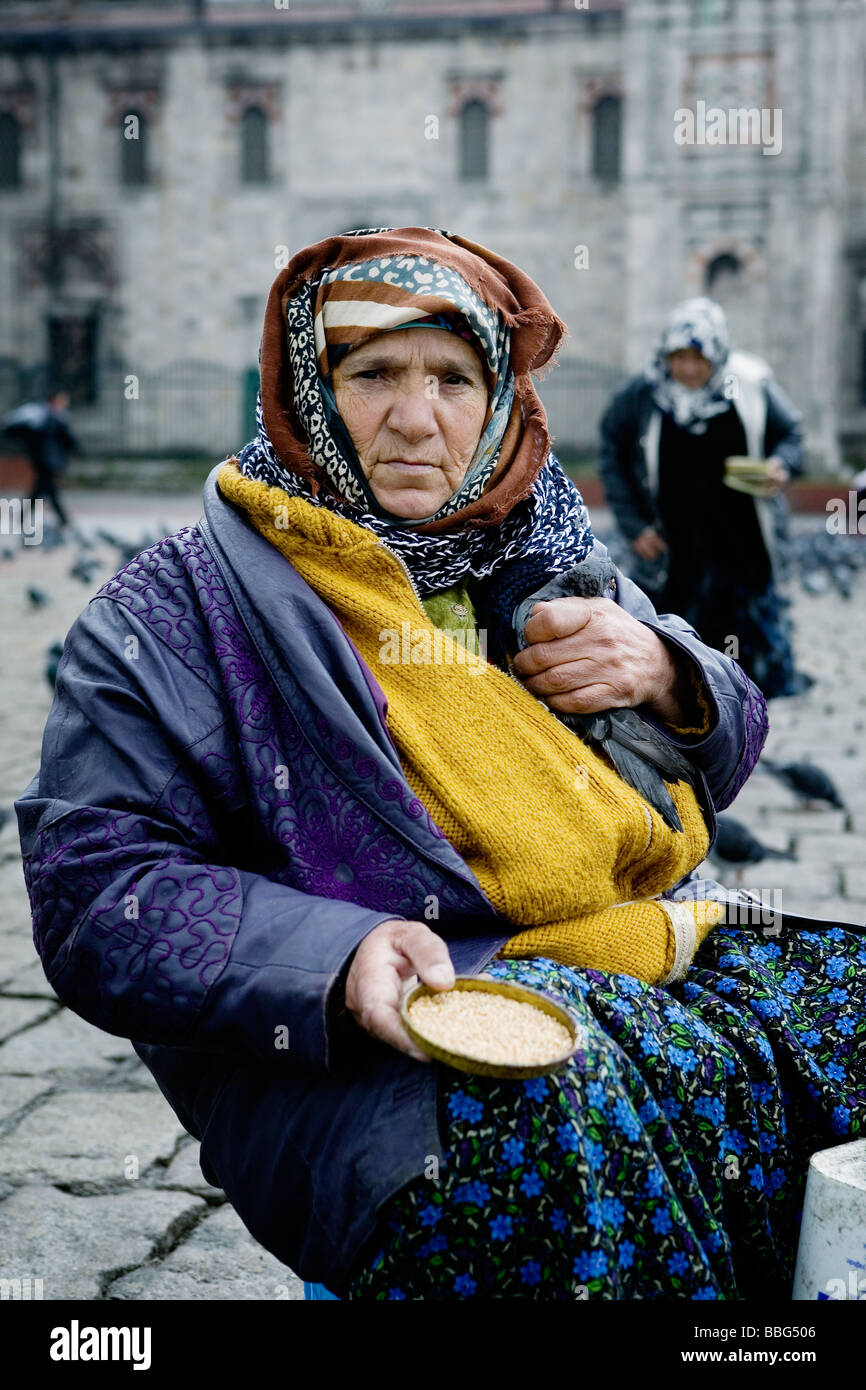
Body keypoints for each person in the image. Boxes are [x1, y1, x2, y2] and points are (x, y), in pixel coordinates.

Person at [14, 229, 865, 1301]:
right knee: (552, 1119)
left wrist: (667, 670)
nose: (417, 419)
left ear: (500, 399)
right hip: (384, 1046)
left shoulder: (544, 555)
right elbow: (98, 890)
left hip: (642, 942)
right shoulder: (179, 608)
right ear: (307, 387)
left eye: (454, 379)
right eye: (372, 372)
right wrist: (334, 956)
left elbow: (727, 745)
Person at [597, 298, 808, 699]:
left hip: (741, 541)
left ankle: (746, 706)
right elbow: (613, 455)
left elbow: (791, 435)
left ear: (718, 356)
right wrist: (634, 526)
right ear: (666, 355)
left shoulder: (750, 385)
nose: (689, 369)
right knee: (674, 632)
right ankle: (688, 697)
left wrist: (781, 465)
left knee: (745, 639)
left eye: (700, 359)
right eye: (680, 357)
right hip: (673, 542)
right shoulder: (643, 394)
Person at [2, 388, 79, 530]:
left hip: (51, 460)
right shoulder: (39, 417)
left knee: (41, 489)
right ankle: (63, 520)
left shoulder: (58, 418)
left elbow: (67, 441)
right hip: (43, 460)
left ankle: (23, 517)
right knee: (48, 489)